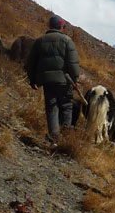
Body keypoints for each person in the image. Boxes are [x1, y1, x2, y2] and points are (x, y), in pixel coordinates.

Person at [26, 15, 81, 143]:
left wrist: (32, 80)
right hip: (64, 80)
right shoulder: (67, 41)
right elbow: (73, 63)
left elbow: (31, 63)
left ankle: (54, 137)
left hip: (47, 81)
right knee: (67, 106)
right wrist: (75, 80)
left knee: (52, 107)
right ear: (61, 26)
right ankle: (66, 136)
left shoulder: (40, 41)